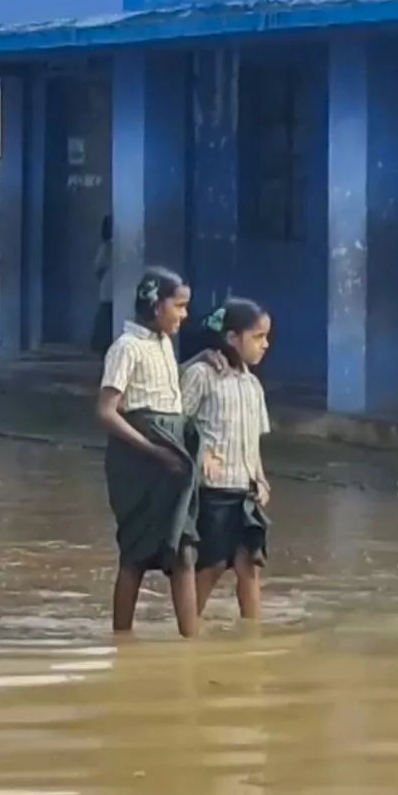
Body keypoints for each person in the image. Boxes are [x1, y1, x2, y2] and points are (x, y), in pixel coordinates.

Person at [95, 267, 200, 638]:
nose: (184, 315)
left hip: (171, 458)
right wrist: (154, 450)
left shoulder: (163, 346)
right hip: (139, 463)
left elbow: (164, 391)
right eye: (180, 306)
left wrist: (203, 360)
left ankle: (193, 644)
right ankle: (121, 639)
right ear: (157, 306)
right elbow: (107, 410)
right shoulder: (126, 348)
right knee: (136, 554)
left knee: (184, 548)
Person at [179, 299, 274, 622]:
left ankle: (253, 637)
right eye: (258, 337)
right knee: (213, 564)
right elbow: (175, 423)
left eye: (266, 337)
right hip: (214, 491)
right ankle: (187, 631)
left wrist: (260, 478)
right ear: (233, 338)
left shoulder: (252, 385)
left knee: (249, 565)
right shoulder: (202, 375)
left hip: (245, 490)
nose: (266, 344)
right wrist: (201, 452)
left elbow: (253, 442)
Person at [88, 216, 114, 354]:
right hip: (113, 290)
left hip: (107, 289)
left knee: (104, 318)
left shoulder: (105, 247)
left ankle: (99, 345)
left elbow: (98, 268)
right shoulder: (113, 246)